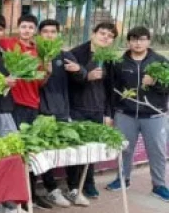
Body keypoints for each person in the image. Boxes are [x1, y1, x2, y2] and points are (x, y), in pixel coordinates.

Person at [0, 14, 52, 209]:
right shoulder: (9, 44)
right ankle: (3, 199)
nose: (27, 30)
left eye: (30, 27)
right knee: (6, 153)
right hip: (14, 104)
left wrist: (48, 71)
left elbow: (41, 82)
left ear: (35, 30)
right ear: (18, 28)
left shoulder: (40, 50)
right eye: (23, 26)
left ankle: (28, 195)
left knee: (25, 153)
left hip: (33, 104)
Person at [107, 26, 169, 201]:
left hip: (154, 115)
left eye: (141, 39)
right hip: (125, 114)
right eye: (134, 39)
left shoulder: (161, 61)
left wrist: (155, 83)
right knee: (124, 149)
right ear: (128, 42)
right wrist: (112, 114)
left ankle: (159, 185)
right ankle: (122, 179)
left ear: (148, 41)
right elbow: (113, 90)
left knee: (157, 151)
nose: (138, 43)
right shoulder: (119, 63)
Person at [37, 19, 89, 207]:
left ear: (58, 34)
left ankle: (74, 188)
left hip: (62, 110)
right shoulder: (35, 55)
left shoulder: (65, 55)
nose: (49, 35)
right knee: (46, 153)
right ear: (39, 35)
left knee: (69, 152)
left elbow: (82, 78)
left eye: (53, 31)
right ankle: (52, 189)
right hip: (41, 112)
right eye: (45, 31)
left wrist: (79, 70)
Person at [67, 22, 118, 199]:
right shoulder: (77, 53)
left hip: (98, 109)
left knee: (92, 150)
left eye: (110, 36)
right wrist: (86, 76)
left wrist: (108, 113)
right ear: (93, 33)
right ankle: (73, 185)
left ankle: (89, 183)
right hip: (77, 108)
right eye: (102, 33)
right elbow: (69, 82)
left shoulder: (110, 58)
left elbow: (111, 88)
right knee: (75, 149)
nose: (105, 37)